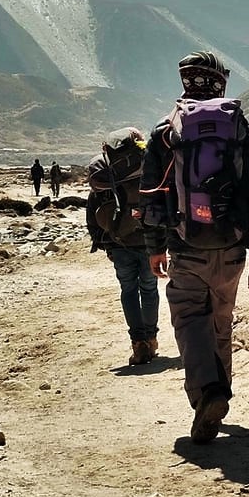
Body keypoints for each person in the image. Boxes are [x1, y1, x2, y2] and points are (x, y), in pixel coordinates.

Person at [140, 51, 249, 444]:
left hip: (186, 244)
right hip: (231, 247)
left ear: (186, 82)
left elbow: (151, 194)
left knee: (189, 320)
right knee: (220, 322)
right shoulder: (238, 128)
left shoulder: (167, 130)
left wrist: (155, 246)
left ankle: (208, 395)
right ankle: (221, 392)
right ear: (220, 82)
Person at [86, 127, 160, 366]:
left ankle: (138, 345)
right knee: (149, 289)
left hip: (119, 242)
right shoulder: (147, 165)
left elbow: (94, 211)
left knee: (128, 291)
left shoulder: (107, 172)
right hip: (149, 240)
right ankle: (152, 338)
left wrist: (102, 241)